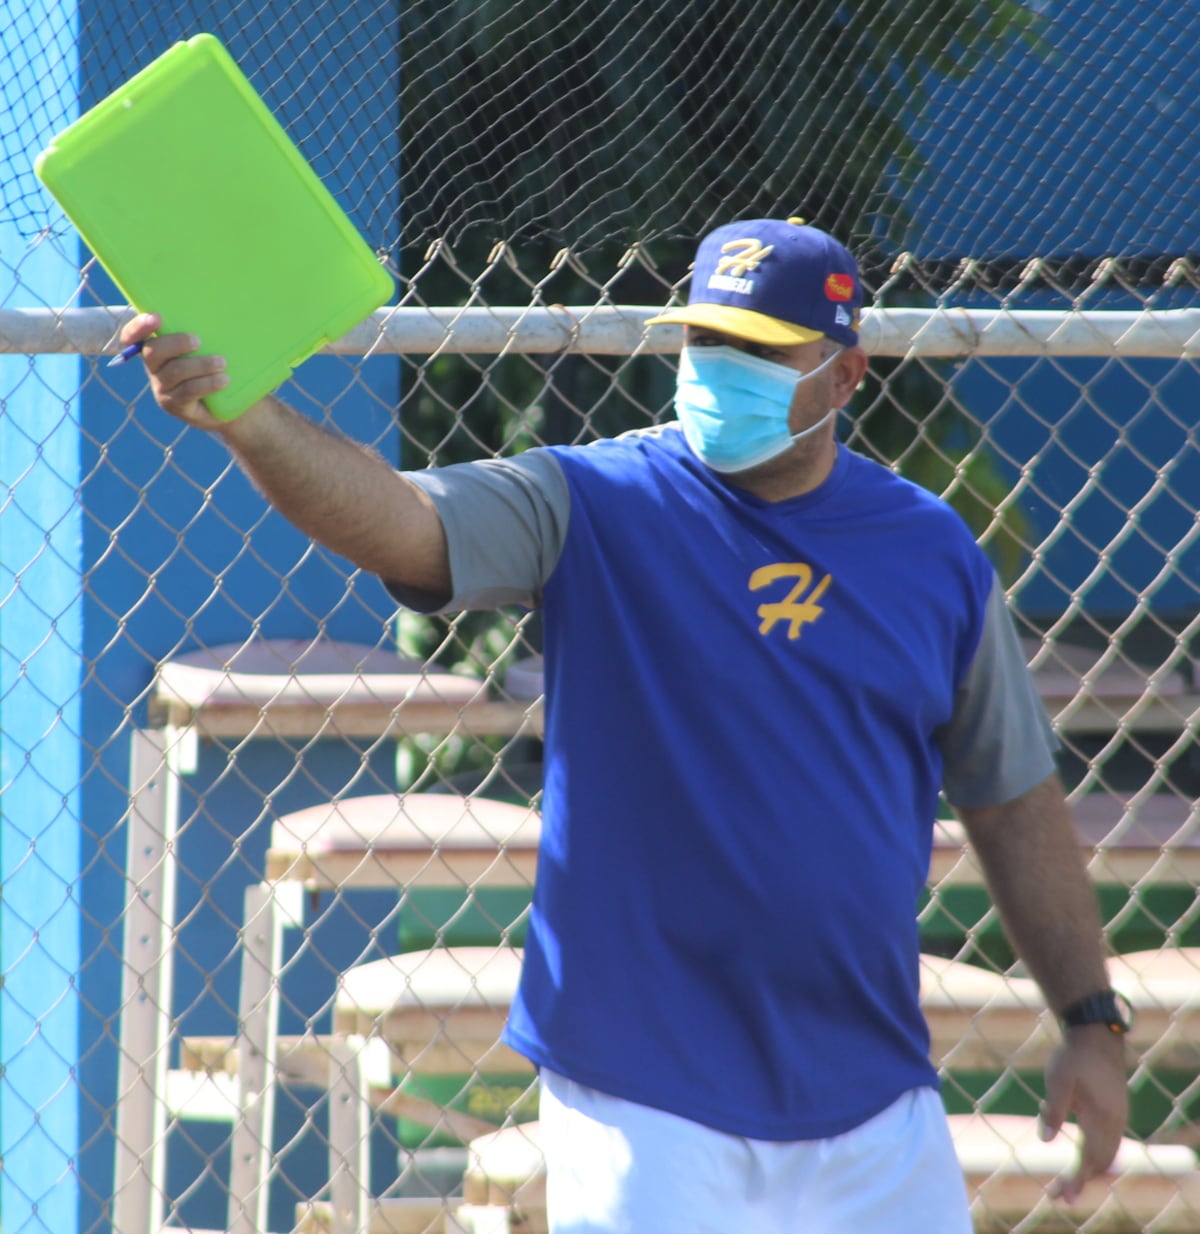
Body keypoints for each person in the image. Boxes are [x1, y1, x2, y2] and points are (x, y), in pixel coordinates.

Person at [124, 216, 1130, 1233]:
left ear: (845, 373)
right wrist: (249, 418)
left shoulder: (932, 552)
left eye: (759, 350)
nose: (718, 369)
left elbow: (1011, 798)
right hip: (644, 1091)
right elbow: (397, 518)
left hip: (870, 1089)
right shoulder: (594, 500)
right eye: (704, 339)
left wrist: (1090, 1021)